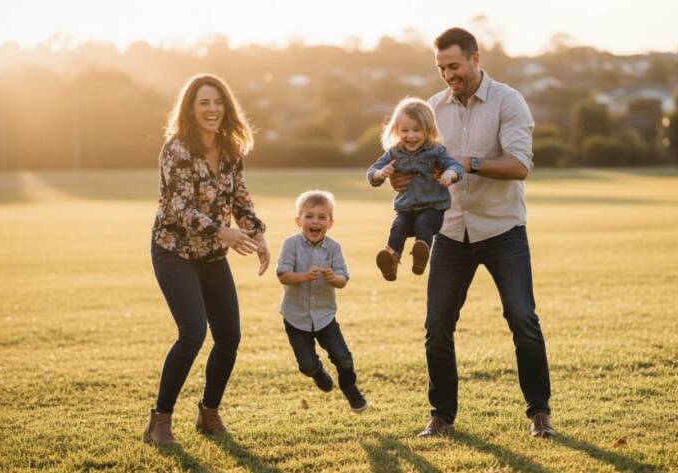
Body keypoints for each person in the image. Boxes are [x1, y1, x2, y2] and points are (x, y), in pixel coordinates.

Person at [387, 28, 555, 438]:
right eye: (441, 68)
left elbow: (519, 166)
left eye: (455, 66)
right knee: (437, 326)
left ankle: (539, 414)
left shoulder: (508, 101)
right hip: (449, 231)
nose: (448, 75)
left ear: (476, 59)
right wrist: (401, 181)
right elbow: (415, 162)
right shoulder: (432, 108)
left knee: (522, 319)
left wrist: (468, 162)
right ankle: (441, 417)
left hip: (502, 230)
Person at [144, 74, 270, 445]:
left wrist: (256, 232)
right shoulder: (176, 150)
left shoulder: (231, 149)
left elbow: (240, 200)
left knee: (229, 335)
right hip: (174, 250)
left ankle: (208, 414)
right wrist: (224, 232)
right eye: (204, 103)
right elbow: (180, 207)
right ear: (191, 108)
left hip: (212, 254)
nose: (212, 109)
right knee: (193, 333)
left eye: (218, 102)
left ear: (226, 107)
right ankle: (160, 421)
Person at [276, 190, 367, 412]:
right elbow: (282, 274)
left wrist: (333, 278)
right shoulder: (290, 244)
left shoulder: (334, 248)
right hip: (296, 318)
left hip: (325, 316)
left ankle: (350, 387)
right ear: (299, 221)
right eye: (309, 216)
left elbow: (343, 278)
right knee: (306, 365)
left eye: (321, 217)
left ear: (330, 222)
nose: (315, 221)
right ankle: (316, 371)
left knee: (343, 358)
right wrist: (303, 277)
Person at [366, 97, 464, 281]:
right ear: (396, 130)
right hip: (406, 208)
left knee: (423, 223)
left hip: (432, 208)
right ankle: (392, 259)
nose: (411, 135)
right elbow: (372, 172)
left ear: (428, 130)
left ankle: (421, 254)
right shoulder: (394, 152)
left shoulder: (436, 151)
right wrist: (380, 174)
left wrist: (450, 173)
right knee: (398, 226)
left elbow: (455, 166)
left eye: (417, 130)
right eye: (405, 130)